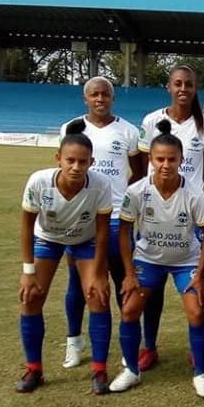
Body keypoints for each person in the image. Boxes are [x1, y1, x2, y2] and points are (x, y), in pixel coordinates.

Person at [109, 120, 204, 396]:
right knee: (130, 309)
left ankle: (201, 372)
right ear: (150, 159)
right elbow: (123, 232)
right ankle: (131, 370)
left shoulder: (193, 193)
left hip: (186, 262)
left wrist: (200, 274)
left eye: (172, 159)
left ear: (181, 160)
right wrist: (130, 273)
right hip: (148, 261)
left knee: (196, 312)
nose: (166, 164)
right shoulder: (136, 192)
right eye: (160, 159)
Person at [16, 120, 113, 394]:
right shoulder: (38, 181)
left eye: (82, 162)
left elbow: (104, 233)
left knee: (97, 296)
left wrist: (98, 273)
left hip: (86, 241)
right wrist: (28, 270)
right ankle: (34, 369)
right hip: (48, 239)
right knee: (31, 297)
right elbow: (26, 225)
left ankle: (99, 370)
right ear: (58, 158)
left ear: (91, 162)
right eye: (70, 160)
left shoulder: (101, 185)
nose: (76, 167)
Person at [136, 64, 204, 371]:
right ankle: (149, 346)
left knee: (195, 284)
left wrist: (189, 195)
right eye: (178, 84)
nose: (183, 89)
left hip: (189, 215)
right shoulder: (151, 121)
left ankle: (196, 349)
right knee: (151, 286)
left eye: (189, 84)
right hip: (154, 213)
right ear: (169, 87)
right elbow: (145, 164)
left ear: (196, 89)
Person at [60, 76, 143, 369]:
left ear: (112, 98)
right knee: (78, 285)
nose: (100, 99)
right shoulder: (72, 128)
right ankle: (74, 341)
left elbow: (139, 172)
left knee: (124, 282)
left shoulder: (129, 131)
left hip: (119, 219)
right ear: (86, 99)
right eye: (94, 95)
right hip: (81, 221)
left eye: (105, 94)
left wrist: (117, 194)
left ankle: (127, 344)